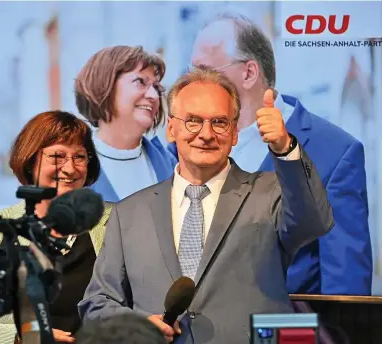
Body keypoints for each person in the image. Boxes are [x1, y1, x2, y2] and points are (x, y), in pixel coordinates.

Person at [78, 69, 333, 344]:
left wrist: (285, 148)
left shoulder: (271, 192)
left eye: (220, 122)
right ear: (171, 129)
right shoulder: (128, 213)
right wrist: (137, 325)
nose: (206, 134)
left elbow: (313, 222)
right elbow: (98, 303)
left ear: (235, 133)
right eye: (193, 121)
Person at [168, 10, 372, 295]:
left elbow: (345, 292)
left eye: (205, 71)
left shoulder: (335, 153)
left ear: (249, 72)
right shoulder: (180, 147)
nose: (194, 84)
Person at [0, 111, 113, 343]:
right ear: (31, 162)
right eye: (57, 156)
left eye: (79, 157)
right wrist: (21, 337)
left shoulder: (117, 220)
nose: (70, 168)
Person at [75, 45, 177, 202]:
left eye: (156, 87)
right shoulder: (69, 169)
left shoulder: (172, 166)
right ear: (105, 85)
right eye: (140, 81)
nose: (154, 96)